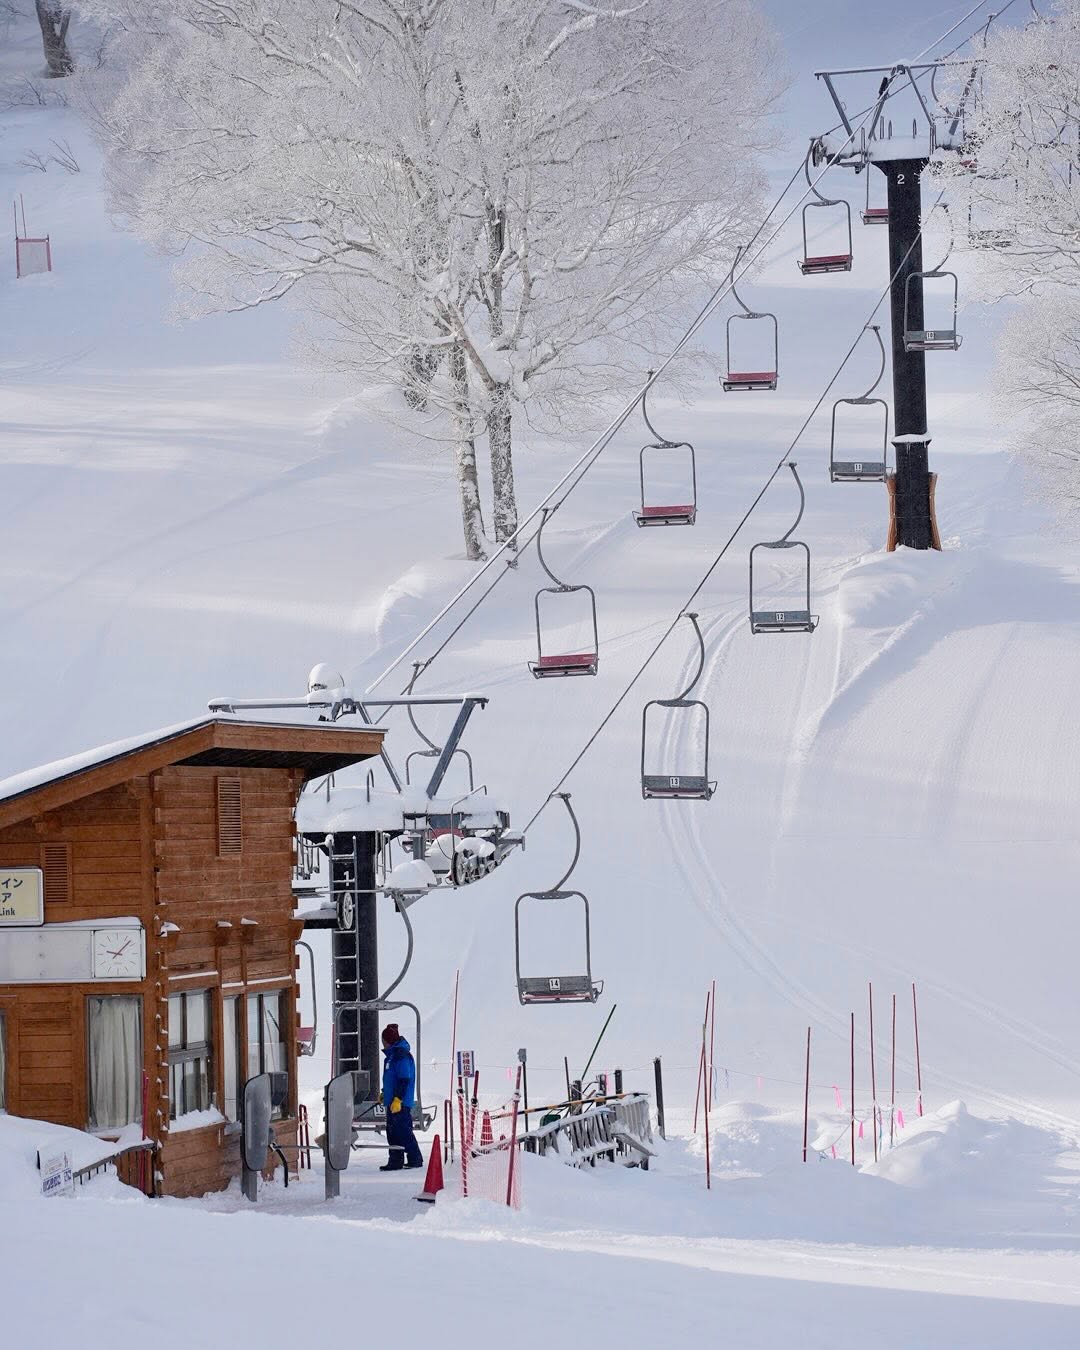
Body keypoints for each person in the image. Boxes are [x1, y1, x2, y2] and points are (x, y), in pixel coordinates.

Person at [380, 1022, 424, 1171]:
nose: (383, 1044)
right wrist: (384, 1093)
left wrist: (398, 1098)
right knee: (392, 1132)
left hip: (400, 1102)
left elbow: (404, 1079)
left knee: (403, 1131)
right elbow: (390, 1079)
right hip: (392, 1101)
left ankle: (415, 1158)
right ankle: (396, 1160)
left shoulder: (401, 1056)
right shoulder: (392, 1057)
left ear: (388, 1041)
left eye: (384, 1041)